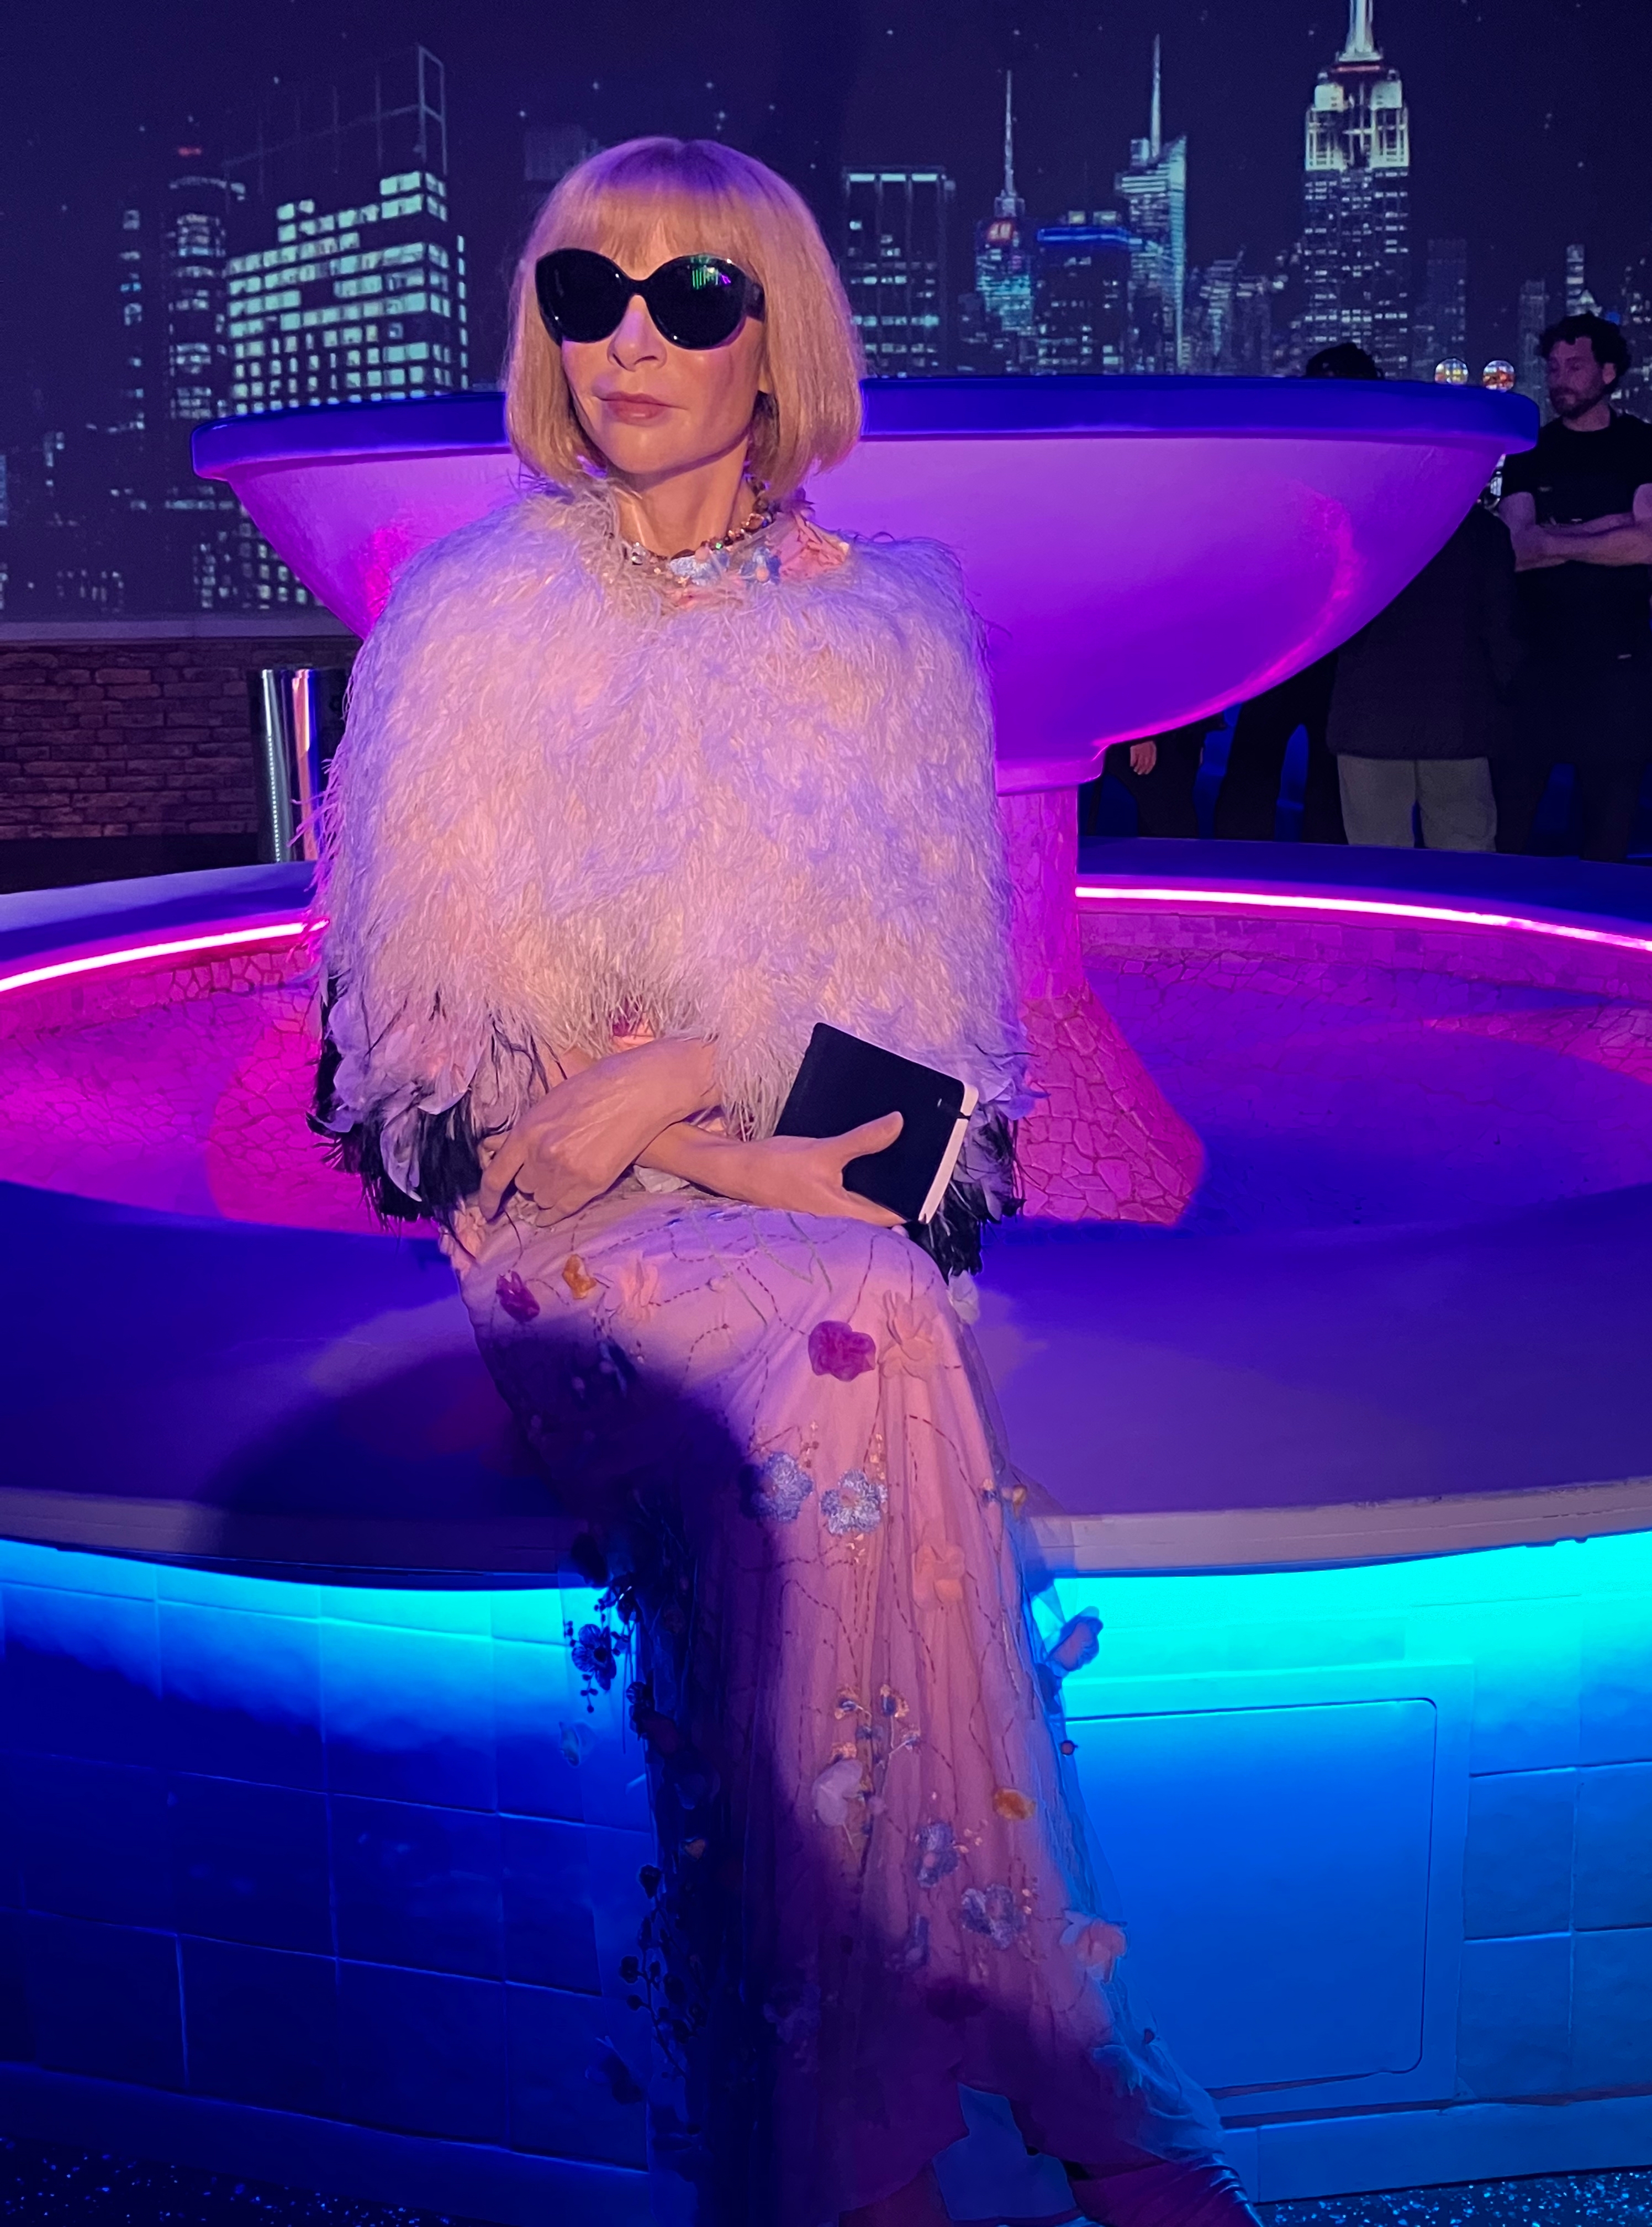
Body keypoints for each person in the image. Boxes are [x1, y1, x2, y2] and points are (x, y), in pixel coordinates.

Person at [311, 138, 1257, 2227]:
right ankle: (1022, 2021)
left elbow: (924, 1130)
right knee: (864, 1335)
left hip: (768, 1215)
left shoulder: (882, 635)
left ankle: (850, 2118)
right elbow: (436, 1121)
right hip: (565, 1258)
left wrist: (655, 1084)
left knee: (872, 1316)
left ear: (776, 340)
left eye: (688, 297)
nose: (629, 341)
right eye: (585, 296)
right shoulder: (470, 624)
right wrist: (690, 1129)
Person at [1495, 314, 1652, 862]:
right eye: (1553, 368)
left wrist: (1554, 536)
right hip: (1536, 665)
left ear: (1609, 371)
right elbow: (1515, 553)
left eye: (1574, 367)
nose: (1559, 380)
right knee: (1510, 832)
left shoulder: (1646, 445)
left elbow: (1645, 546)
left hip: (1619, 669)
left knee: (1608, 839)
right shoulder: (1530, 450)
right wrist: (1608, 526)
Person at [1209, 342, 1382, 846]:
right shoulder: (1365, 462)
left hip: (1309, 639)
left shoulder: (1298, 462)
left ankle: (1262, 868)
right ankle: (1270, 870)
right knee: (1276, 765)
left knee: (1281, 765)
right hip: (1306, 638)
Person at [1326, 495, 1519, 849]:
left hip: (1369, 711)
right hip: (1459, 714)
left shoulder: (1358, 528)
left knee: (1377, 856)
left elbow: (1331, 620)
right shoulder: (1483, 531)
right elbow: (1501, 632)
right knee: (1465, 852)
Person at [1080, 721, 1217, 840]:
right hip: (1150, 732)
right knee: (1172, 824)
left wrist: (1199, 735)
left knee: (1170, 821)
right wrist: (1141, 733)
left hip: (1180, 727)